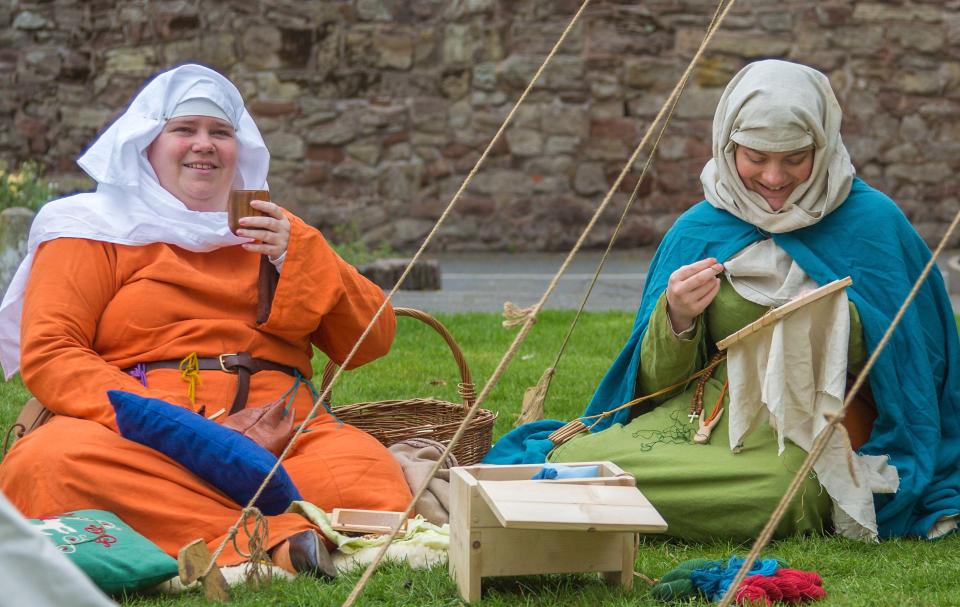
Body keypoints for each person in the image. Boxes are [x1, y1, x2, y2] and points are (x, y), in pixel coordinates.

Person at [484, 60, 960, 543]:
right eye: (755, 157)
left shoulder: (873, 224)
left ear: (824, 142)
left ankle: (598, 505)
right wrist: (678, 317)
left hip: (820, 424)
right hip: (706, 417)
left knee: (780, 495)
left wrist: (839, 321)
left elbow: (917, 366)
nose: (774, 177)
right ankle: (591, 491)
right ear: (728, 145)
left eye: (795, 158)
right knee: (575, 464)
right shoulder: (700, 229)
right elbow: (653, 383)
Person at [0, 64, 413, 576]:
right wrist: (170, 425)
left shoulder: (274, 229)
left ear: (239, 149)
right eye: (184, 130)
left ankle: (209, 535)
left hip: (279, 428)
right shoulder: (89, 228)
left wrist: (299, 254)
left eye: (220, 132)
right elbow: (52, 351)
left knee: (367, 474)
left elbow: (373, 338)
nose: (204, 145)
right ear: (148, 143)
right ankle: (278, 538)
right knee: (50, 464)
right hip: (142, 430)